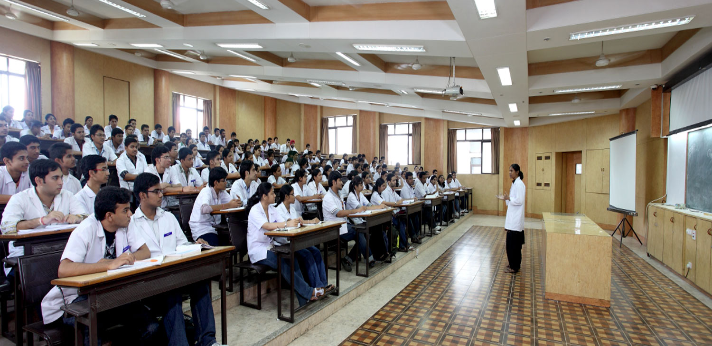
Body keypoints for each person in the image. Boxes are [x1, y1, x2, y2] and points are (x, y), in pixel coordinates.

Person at [40, 187, 161, 346]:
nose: (130, 214)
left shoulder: (126, 224)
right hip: (76, 300)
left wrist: (125, 259)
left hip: (111, 294)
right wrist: (109, 264)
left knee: (151, 327)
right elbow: (64, 270)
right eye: (125, 210)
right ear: (109, 216)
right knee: (92, 326)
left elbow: (144, 252)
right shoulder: (86, 229)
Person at [129, 173, 223, 346]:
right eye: (156, 191)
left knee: (201, 284)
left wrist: (195, 245)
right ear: (142, 195)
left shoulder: (168, 217)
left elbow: (181, 244)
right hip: (149, 280)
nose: (161, 194)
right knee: (171, 295)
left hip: (174, 274)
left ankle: (208, 341)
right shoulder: (132, 223)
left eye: (161, 190)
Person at [1, 160, 87, 279]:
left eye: (61, 178)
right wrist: (41, 221)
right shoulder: (19, 198)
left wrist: (77, 217)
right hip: (28, 255)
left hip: (62, 250)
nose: (61, 182)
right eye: (55, 178)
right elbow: (7, 228)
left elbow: (86, 217)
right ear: (39, 181)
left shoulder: (67, 195)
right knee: (44, 272)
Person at [246, 182, 324, 306]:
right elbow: (267, 226)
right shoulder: (255, 210)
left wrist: (292, 221)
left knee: (293, 259)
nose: (274, 196)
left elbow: (283, 222)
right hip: (258, 251)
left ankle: (303, 299)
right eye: (272, 193)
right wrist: (287, 224)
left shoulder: (271, 209)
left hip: (271, 247)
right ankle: (309, 293)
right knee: (282, 262)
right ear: (264, 196)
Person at [274, 184, 332, 289]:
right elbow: (289, 224)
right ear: (286, 196)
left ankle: (324, 284)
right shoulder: (278, 210)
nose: (294, 196)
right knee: (307, 255)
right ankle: (318, 287)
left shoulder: (291, 208)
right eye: (292, 194)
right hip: (286, 243)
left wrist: (311, 221)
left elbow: (299, 222)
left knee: (316, 251)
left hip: (296, 240)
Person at [323, 171, 373, 272]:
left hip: (344, 225)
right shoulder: (328, 197)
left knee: (364, 232)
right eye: (340, 180)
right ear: (333, 182)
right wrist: (356, 210)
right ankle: (369, 258)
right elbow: (339, 213)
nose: (342, 182)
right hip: (334, 228)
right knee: (359, 232)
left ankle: (348, 259)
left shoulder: (340, 195)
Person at [190, 167, 241, 246]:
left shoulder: (221, 192)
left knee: (232, 240)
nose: (226, 183)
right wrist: (228, 205)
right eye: (223, 181)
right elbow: (205, 208)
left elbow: (231, 202)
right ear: (215, 182)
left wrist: (237, 202)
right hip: (201, 228)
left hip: (214, 227)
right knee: (216, 244)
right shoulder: (206, 191)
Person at [346, 176, 388, 260]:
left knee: (377, 227)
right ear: (355, 186)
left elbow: (369, 205)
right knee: (368, 232)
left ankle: (379, 254)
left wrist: (377, 207)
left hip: (360, 219)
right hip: (353, 221)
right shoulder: (351, 196)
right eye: (360, 185)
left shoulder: (360, 194)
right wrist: (378, 207)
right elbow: (361, 208)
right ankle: (372, 256)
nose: (363, 186)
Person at [497, 164, 526, 274]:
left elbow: (519, 201)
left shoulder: (519, 185)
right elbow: (511, 201)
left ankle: (515, 266)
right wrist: (506, 199)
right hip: (512, 218)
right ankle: (512, 263)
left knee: (514, 245)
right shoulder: (514, 184)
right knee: (510, 244)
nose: (510, 173)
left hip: (516, 220)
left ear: (517, 172)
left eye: (512, 171)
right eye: (509, 170)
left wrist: (509, 198)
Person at [381, 173, 418, 251]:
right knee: (401, 222)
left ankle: (403, 245)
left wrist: (411, 200)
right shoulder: (385, 192)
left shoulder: (393, 191)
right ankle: (404, 245)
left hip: (397, 213)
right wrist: (393, 209)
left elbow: (401, 200)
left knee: (403, 221)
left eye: (395, 180)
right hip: (390, 215)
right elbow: (386, 206)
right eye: (393, 180)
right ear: (388, 182)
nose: (395, 182)